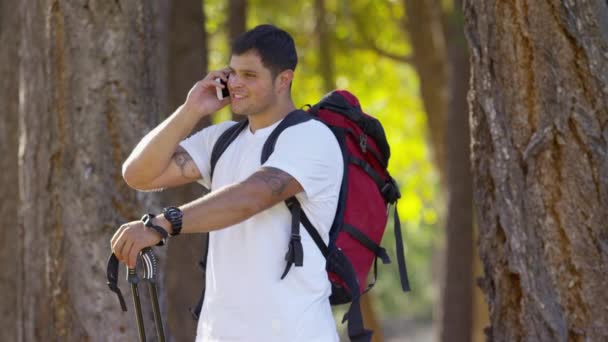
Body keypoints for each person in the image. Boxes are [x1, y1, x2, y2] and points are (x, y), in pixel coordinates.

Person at [110, 24, 343, 342]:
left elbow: (251, 197)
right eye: (232, 73)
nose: (235, 83)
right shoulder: (222, 140)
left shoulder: (310, 137)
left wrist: (164, 223)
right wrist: (190, 110)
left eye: (249, 75)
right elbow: (138, 174)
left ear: (283, 80)